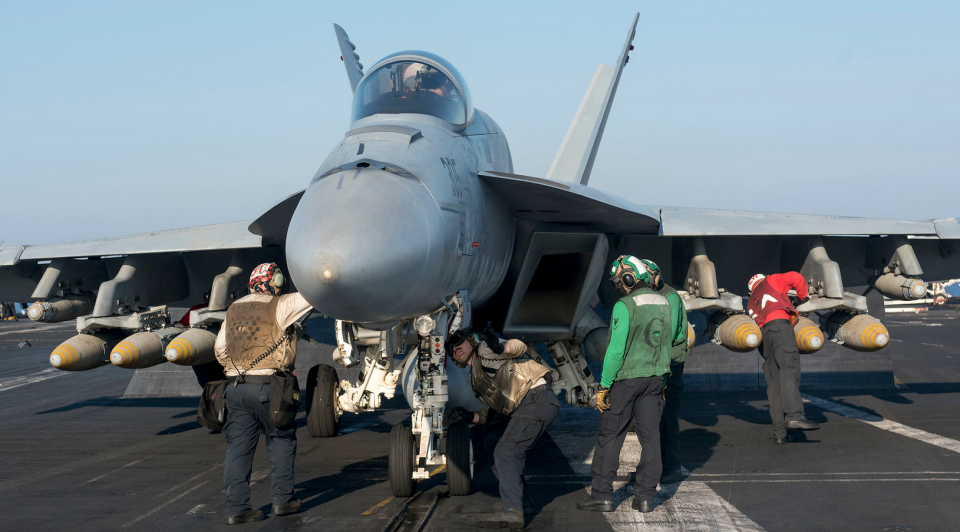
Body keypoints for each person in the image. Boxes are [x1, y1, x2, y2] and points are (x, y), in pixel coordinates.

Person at [214, 262, 312, 525]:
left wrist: (238, 369)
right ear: (273, 281)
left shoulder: (233, 309)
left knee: (238, 449)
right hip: (270, 388)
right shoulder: (280, 305)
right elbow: (313, 295)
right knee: (280, 440)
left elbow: (220, 349)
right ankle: (283, 502)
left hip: (235, 388)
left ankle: (237, 509)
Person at [578, 255, 673, 514]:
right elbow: (667, 343)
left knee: (610, 437)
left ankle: (602, 496)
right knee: (651, 439)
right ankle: (644, 497)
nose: (619, 285)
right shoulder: (664, 302)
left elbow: (616, 351)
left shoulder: (624, 305)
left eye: (619, 280)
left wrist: (604, 386)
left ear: (629, 277)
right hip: (655, 380)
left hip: (626, 381)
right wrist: (662, 379)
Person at [446, 328, 559, 529]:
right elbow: (495, 413)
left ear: (471, 341)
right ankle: (522, 503)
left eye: (458, 342)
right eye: (451, 349)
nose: (455, 348)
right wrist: (469, 416)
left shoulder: (486, 350)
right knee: (493, 442)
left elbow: (519, 346)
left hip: (536, 397)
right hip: (525, 404)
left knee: (506, 451)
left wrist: (502, 346)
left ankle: (513, 513)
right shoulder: (477, 377)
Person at [746, 272, 820, 444]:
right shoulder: (770, 281)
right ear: (762, 279)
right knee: (789, 369)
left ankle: (779, 434)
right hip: (780, 328)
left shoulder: (751, 301)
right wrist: (802, 296)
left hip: (764, 337)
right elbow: (795, 277)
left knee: (774, 385)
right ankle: (795, 416)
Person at [639, 260, 690, 486]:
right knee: (653, 417)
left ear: (655, 276)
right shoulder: (651, 296)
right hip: (655, 363)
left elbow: (667, 334)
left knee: (668, 417)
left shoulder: (669, 297)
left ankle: (672, 467)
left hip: (670, 365)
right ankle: (656, 465)